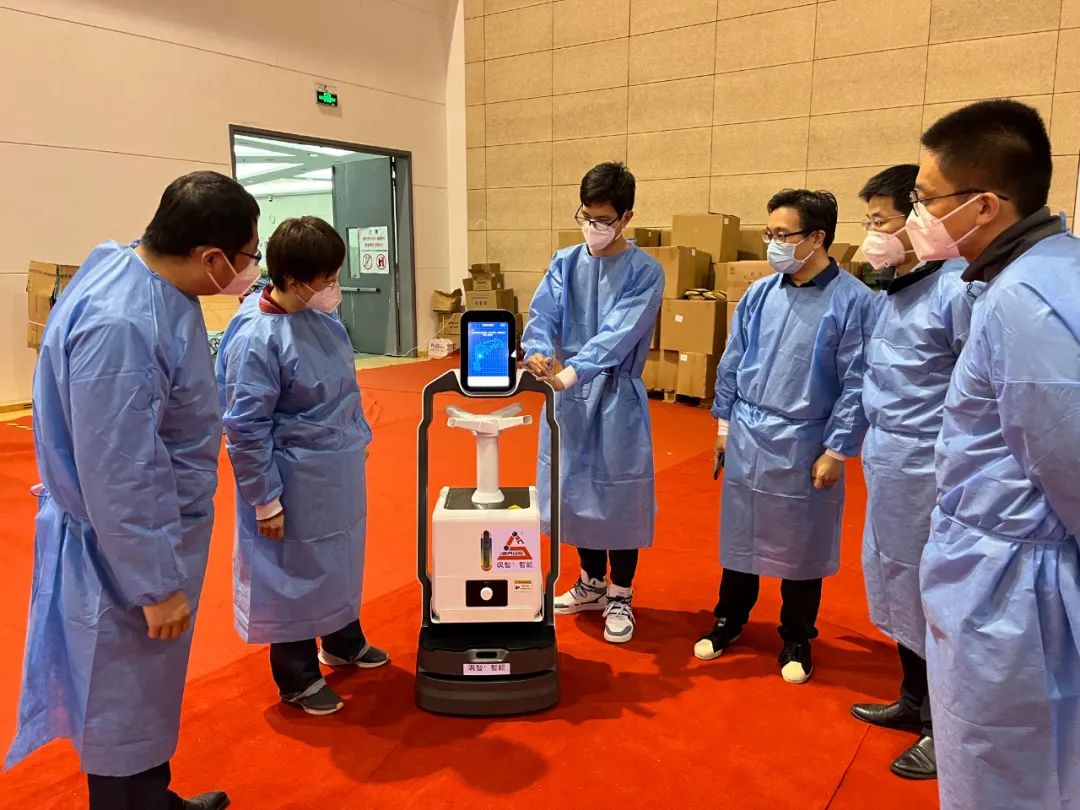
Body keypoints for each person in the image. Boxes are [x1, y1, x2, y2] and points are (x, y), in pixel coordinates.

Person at [4, 171, 261, 810]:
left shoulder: (140, 274)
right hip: (123, 551)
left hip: (151, 532)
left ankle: (153, 796)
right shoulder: (122, 326)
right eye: (249, 257)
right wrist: (155, 584)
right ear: (212, 258)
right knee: (119, 699)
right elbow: (120, 469)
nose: (250, 271)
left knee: (143, 694)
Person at [913, 100, 1080, 809]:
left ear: (983, 205)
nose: (917, 216)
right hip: (1010, 565)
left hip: (1017, 589)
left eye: (926, 199)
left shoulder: (1025, 301)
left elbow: (1069, 461)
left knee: (1009, 768)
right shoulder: (1048, 269)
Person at [694, 189, 875, 683]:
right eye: (769, 233)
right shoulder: (760, 293)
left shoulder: (854, 302)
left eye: (782, 234)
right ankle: (729, 618)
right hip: (750, 430)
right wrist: (724, 424)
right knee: (742, 532)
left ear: (816, 238)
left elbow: (857, 380)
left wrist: (837, 449)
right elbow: (733, 358)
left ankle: (796, 635)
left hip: (806, 438)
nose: (772, 243)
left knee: (803, 543)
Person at [216, 217, 388, 716]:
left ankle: (343, 640)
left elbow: (344, 389)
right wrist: (265, 500)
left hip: (335, 471)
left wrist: (357, 437)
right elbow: (245, 426)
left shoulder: (322, 319)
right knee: (290, 574)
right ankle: (297, 676)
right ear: (292, 281)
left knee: (339, 558)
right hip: (289, 478)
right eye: (326, 278)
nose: (334, 286)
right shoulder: (257, 336)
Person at [849, 164, 979, 781]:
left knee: (934, 594)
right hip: (888, 458)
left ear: (918, 219)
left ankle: (941, 728)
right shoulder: (894, 288)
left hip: (931, 463)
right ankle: (912, 698)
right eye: (869, 220)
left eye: (881, 220)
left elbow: (975, 394)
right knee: (896, 581)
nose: (872, 234)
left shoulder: (958, 291)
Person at [521, 162, 664, 644]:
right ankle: (590, 583)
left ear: (626, 218)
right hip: (569, 395)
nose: (593, 227)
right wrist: (539, 350)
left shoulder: (645, 271)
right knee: (573, 490)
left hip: (615, 395)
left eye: (603, 220)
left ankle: (621, 593)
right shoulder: (565, 262)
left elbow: (617, 335)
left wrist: (570, 373)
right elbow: (543, 314)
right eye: (586, 216)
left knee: (617, 494)